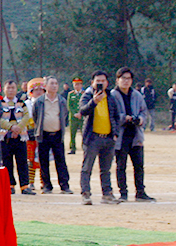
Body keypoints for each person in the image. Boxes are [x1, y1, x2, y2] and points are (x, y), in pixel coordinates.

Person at [78, 71, 122, 205]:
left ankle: (107, 194)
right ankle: (86, 194)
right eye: (98, 81)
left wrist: (115, 134)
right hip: (92, 138)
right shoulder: (87, 96)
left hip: (108, 138)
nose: (100, 83)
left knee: (106, 169)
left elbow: (116, 116)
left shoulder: (110, 97)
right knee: (87, 167)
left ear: (107, 83)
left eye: (103, 81)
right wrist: (94, 101)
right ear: (92, 83)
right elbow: (83, 111)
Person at [111, 68, 154, 201]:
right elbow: (112, 114)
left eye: (128, 78)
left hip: (135, 135)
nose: (126, 81)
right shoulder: (113, 95)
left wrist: (140, 119)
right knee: (121, 165)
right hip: (121, 136)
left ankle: (140, 192)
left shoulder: (137, 95)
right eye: (123, 78)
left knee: (139, 165)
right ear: (117, 80)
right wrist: (125, 118)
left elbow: (143, 111)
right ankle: (123, 193)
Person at [31, 77, 71, 193]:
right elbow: (35, 116)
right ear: (46, 86)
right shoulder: (40, 101)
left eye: (56, 83)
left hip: (57, 134)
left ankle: (64, 185)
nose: (54, 86)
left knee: (61, 160)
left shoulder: (62, 100)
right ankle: (47, 186)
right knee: (43, 161)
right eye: (51, 83)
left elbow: (65, 115)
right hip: (43, 135)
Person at [1, 80, 33, 194]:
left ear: (16, 89)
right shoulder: (0, 103)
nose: (10, 90)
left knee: (22, 161)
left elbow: (26, 117)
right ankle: (10, 185)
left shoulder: (21, 103)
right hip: (5, 137)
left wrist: (18, 128)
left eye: (13, 88)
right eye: (8, 88)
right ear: (4, 89)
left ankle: (25, 185)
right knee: (7, 161)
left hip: (20, 136)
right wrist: (11, 127)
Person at [66, 77, 84, 154]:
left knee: (84, 133)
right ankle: (73, 148)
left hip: (82, 117)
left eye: (78, 84)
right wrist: (74, 114)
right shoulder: (70, 94)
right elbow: (69, 106)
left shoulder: (84, 94)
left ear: (81, 85)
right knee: (72, 134)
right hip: (73, 118)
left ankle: (84, 148)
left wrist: (81, 113)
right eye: (75, 84)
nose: (77, 86)